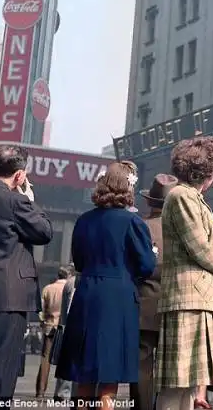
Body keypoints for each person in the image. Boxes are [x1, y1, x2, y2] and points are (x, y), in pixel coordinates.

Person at [55, 161, 156, 408]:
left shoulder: (84, 220)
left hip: (88, 293)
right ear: (129, 188)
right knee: (109, 375)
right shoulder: (133, 223)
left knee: (84, 371)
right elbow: (146, 266)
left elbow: (78, 260)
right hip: (118, 296)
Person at [155, 136, 213, 410]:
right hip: (187, 298)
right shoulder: (181, 196)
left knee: (189, 384)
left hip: (196, 297)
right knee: (176, 384)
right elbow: (199, 247)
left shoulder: (192, 198)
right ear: (207, 171)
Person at [0, 145, 53, 401]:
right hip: (7, 298)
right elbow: (44, 232)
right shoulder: (15, 201)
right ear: (19, 176)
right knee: (0, 374)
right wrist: (29, 198)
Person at [130, 174, 179, 410]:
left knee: (141, 363)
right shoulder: (182, 229)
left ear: (150, 201)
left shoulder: (140, 226)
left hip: (144, 303)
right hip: (175, 304)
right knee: (172, 365)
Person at [36, 267, 70, 397]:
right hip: (63, 327)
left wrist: (43, 321)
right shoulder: (68, 288)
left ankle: (40, 390)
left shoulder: (48, 288)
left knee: (45, 359)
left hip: (49, 326)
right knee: (65, 358)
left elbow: (41, 309)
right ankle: (61, 393)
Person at [52, 265, 77, 400]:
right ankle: (65, 393)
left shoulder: (70, 282)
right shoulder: (75, 282)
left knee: (66, 359)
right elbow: (69, 307)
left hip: (65, 324)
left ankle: (62, 392)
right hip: (72, 325)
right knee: (71, 361)